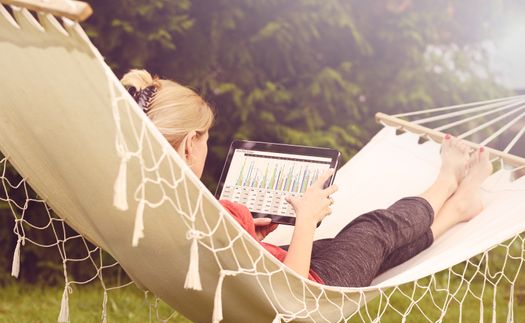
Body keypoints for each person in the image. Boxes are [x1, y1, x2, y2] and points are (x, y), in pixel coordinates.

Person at [121, 69, 493, 287]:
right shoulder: (194, 209)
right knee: (376, 228)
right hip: (312, 281)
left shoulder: (159, 203)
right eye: (205, 138)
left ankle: (459, 207)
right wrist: (305, 221)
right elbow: (292, 293)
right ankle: (447, 181)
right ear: (189, 144)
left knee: (380, 251)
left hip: (285, 262)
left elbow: (228, 262)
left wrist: (252, 235)